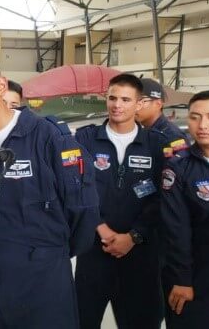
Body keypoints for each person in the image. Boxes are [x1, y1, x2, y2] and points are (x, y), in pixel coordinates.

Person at [0, 42, 100, 329]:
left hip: (43, 291)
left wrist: (45, 257)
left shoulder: (49, 139)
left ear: (1, 86)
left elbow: (83, 212)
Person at [73, 74, 185, 329]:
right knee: (82, 320)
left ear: (139, 104)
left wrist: (134, 236)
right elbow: (77, 191)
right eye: (112, 98)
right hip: (93, 251)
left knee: (141, 322)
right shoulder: (85, 140)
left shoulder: (159, 144)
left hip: (141, 255)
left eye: (126, 99)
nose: (117, 105)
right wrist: (100, 228)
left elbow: (165, 198)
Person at [161, 90, 209, 328]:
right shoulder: (178, 167)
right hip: (198, 273)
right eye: (195, 117)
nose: (203, 125)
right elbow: (176, 229)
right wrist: (181, 279)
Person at [137, 77, 190, 146]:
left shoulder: (172, 137)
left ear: (158, 104)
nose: (135, 106)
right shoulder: (141, 131)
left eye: (141, 101)